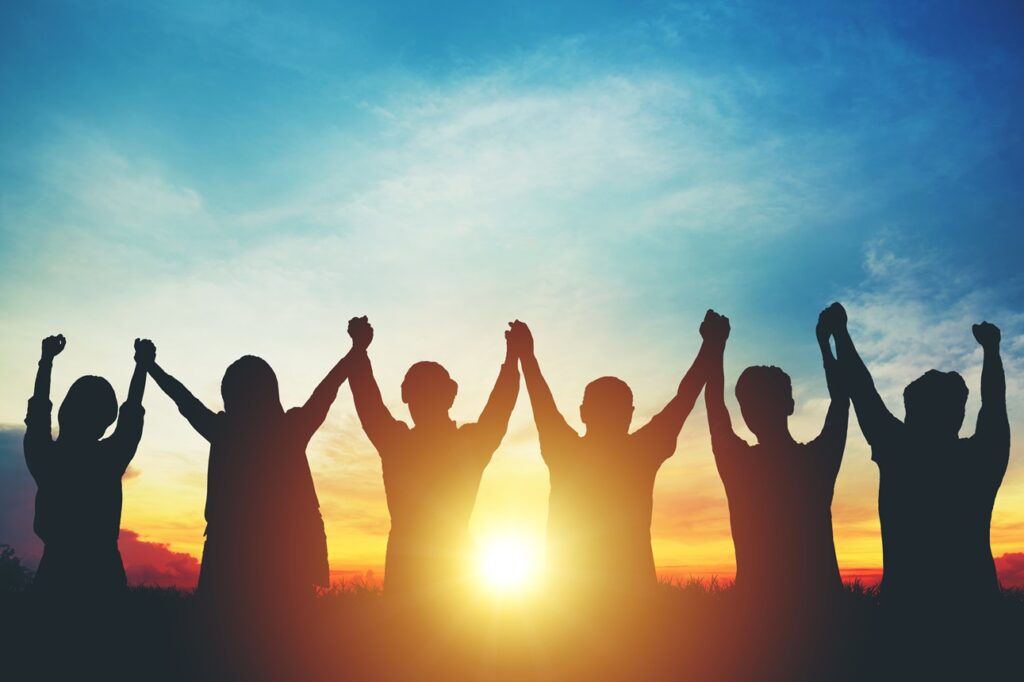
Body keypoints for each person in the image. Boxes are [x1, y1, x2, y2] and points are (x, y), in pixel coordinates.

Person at [145, 321, 363, 611]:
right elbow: (328, 389)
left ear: (229, 394)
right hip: (285, 558)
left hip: (229, 554)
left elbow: (184, 400)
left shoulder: (223, 430)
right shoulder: (290, 429)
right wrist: (356, 350)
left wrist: (150, 367)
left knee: (226, 637)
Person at [509, 313, 720, 596]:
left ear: (583, 412)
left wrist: (526, 355)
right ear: (630, 414)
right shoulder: (642, 452)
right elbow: (685, 397)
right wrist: (711, 346)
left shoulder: (565, 451)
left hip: (567, 603)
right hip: (632, 601)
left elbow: (540, 400)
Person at [830, 302, 1009, 611]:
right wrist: (991, 351)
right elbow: (994, 404)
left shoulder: (899, 450)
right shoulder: (980, 459)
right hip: (977, 610)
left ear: (911, 414)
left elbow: (862, 389)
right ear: (959, 413)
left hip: (906, 613)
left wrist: (840, 333)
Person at [346, 317, 520, 598]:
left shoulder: (398, 443)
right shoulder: (468, 445)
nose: (420, 400)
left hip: (416, 573)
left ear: (404, 395)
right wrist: (513, 358)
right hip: (454, 573)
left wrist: (359, 350)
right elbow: (500, 407)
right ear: (451, 395)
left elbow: (368, 403)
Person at [703, 306, 849, 608]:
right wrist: (828, 340)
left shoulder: (737, 465)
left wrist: (715, 346)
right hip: (822, 614)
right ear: (790, 405)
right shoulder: (818, 461)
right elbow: (841, 400)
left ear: (745, 413)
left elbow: (715, 402)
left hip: (756, 615)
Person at [24, 334, 152, 600]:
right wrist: (141, 365)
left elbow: (38, 414)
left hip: (55, 574)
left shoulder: (48, 458)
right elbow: (131, 415)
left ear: (65, 411)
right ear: (104, 420)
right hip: (104, 576)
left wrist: (46, 361)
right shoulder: (108, 459)